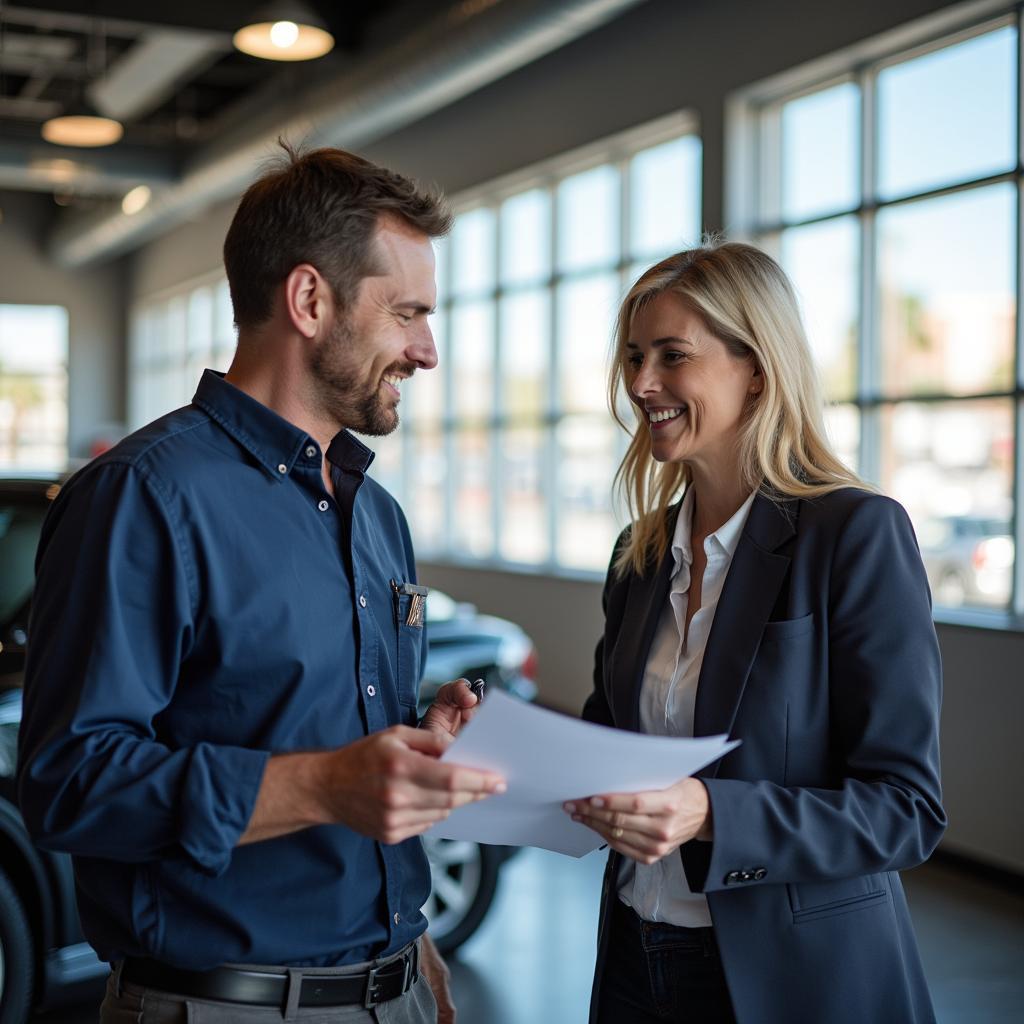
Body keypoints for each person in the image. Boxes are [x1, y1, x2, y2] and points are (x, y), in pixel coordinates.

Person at [17, 144, 506, 1024]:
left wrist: (414, 935)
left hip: (394, 985)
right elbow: (71, 783)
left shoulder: (377, 515)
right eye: (407, 313)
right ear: (310, 300)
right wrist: (321, 784)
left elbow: (335, 745)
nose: (427, 350)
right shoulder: (145, 497)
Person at [564, 242, 945, 1024]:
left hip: (793, 982)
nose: (641, 384)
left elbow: (905, 807)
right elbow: (611, 746)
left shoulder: (853, 534)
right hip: (637, 960)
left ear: (758, 370)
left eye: (673, 356)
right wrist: (502, 750)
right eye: (634, 357)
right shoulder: (638, 554)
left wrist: (712, 813)